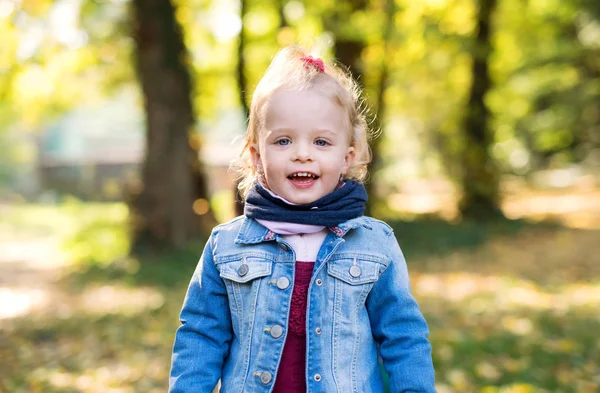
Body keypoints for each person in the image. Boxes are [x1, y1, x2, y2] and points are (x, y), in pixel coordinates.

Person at [169, 45, 436, 393]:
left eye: (322, 142)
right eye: (283, 140)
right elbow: (201, 334)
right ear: (256, 157)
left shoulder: (374, 243)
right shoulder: (227, 245)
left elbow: (404, 337)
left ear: (347, 157)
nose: (302, 154)